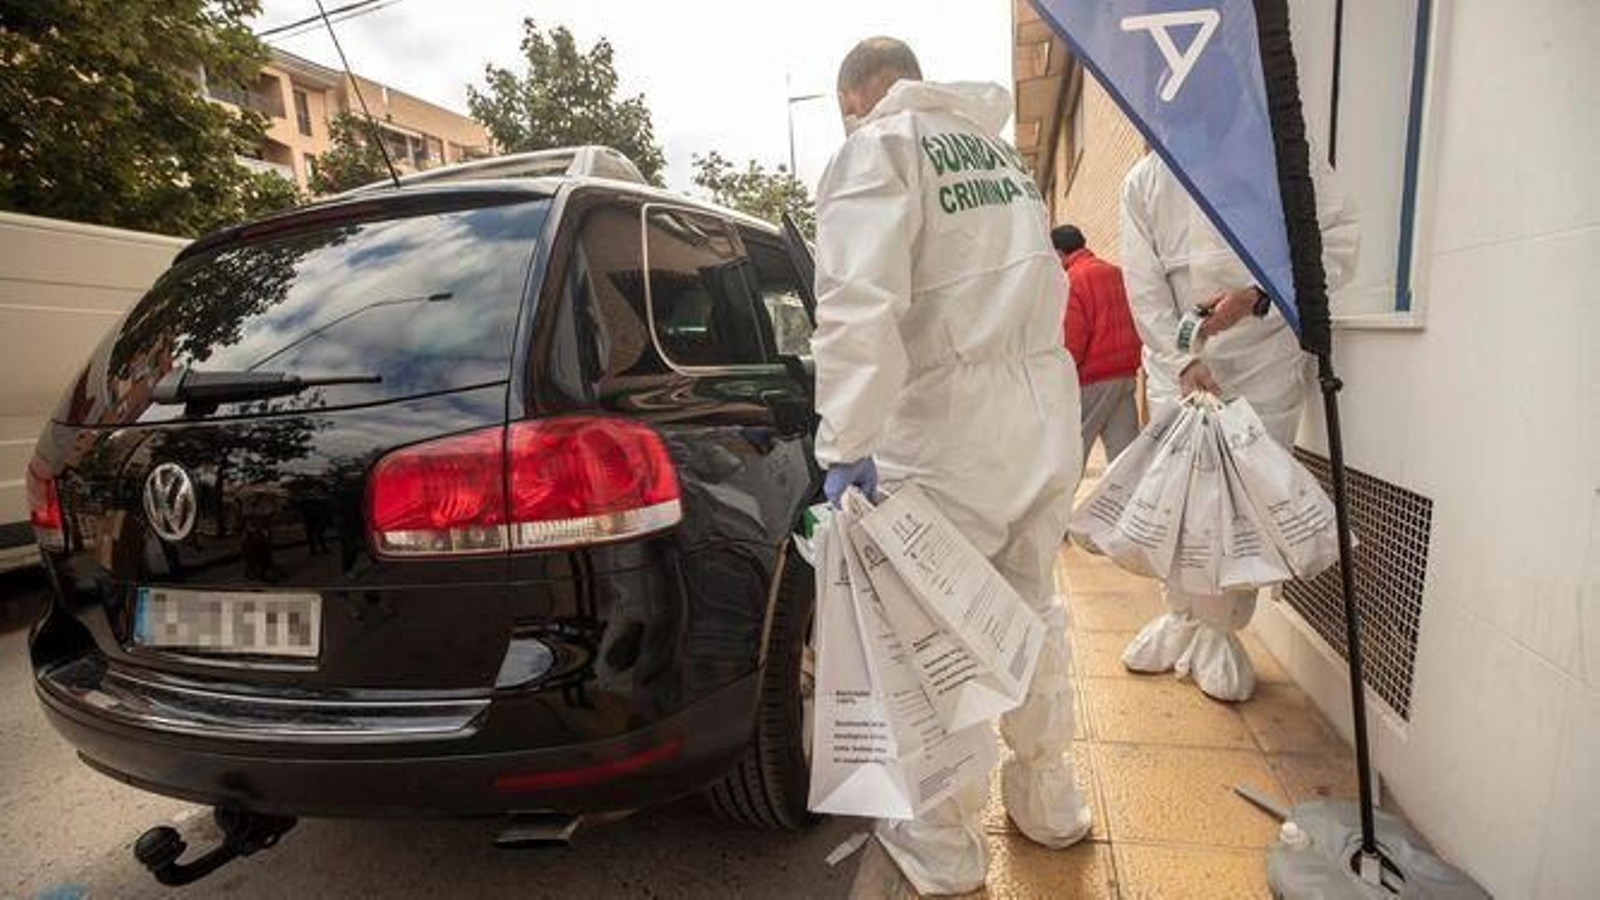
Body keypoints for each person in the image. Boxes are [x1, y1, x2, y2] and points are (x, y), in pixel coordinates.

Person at [812, 36, 1090, 896]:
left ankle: (941, 844)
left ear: (856, 98)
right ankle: (1048, 799)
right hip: (1039, 411)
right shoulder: (995, 154)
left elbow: (860, 305)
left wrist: (843, 444)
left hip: (944, 428)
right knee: (1029, 610)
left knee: (933, 638)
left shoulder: (879, 148)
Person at [1118, 151, 1358, 702]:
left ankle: (1221, 631)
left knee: (1243, 509)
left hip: (1264, 358)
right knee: (1177, 503)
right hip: (1178, 362)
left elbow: (1335, 237)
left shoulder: (1278, 153)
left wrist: (1258, 297)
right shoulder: (1145, 180)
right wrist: (1183, 357)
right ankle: (1179, 619)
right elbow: (1144, 281)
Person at [1053, 224, 1142, 466]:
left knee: (1070, 456)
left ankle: (1057, 504)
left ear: (1059, 254)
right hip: (1126, 374)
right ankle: (1128, 504)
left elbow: (1073, 337)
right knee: (1126, 460)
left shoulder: (1071, 280)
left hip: (1092, 380)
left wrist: (1062, 379)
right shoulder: (1117, 273)